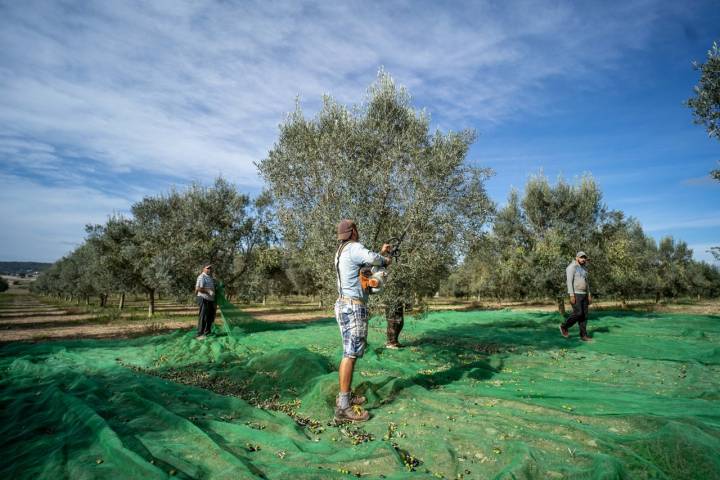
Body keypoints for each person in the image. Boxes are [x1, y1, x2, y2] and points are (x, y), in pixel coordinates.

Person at [334, 219, 392, 423]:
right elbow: (372, 258)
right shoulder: (354, 247)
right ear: (352, 232)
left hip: (343, 304)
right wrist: (384, 260)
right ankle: (343, 407)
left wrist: (381, 253)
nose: (359, 230)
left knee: (349, 352)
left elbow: (365, 264)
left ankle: (346, 396)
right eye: (356, 228)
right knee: (350, 354)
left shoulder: (342, 250)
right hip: (353, 306)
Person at [560, 252, 592, 341]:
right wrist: (571, 295)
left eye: (584, 258)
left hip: (584, 294)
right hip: (575, 294)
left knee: (584, 316)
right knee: (578, 313)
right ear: (577, 258)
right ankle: (564, 326)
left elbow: (587, 283)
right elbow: (569, 282)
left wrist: (589, 294)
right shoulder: (571, 267)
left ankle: (583, 335)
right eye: (581, 257)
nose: (583, 259)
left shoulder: (584, 269)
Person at [195, 264, 216, 340]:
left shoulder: (210, 278)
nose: (209, 270)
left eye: (210, 268)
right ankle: (199, 334)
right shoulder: (202, 277)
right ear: (203, 269)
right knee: (203, 316)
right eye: (207, 268)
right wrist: (208, 291)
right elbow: (198, 288)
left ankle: (207, 332)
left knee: (210, 316)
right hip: (203, 298)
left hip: (210, 300)